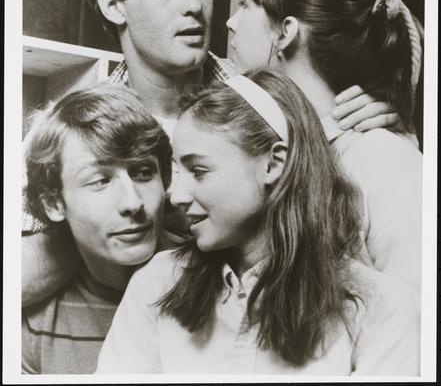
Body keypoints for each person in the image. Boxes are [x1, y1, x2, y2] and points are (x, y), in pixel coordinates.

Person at [22, 0, 400, 306]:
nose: (194, 6)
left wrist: (371, 123)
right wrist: (96, 222)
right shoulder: (72, 132)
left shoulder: (266, 105)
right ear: (114, 5)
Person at [97, 70, 418, 375]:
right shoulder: (157, 284)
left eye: (199, 170)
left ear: (273, 163)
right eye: (179, 171)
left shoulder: (378, 309)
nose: (176, 196)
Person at [225, 0, 423, 303]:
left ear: (286, 32)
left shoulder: (383, 160)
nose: (231, 22)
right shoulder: (269, 151)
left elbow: (418, 317)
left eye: (245, 5)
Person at [22, 84, 173, 373]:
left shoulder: (219, 285)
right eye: (100, 181)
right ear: (54, 203)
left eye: (143, 172)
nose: (133, 202)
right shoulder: (33, 327)